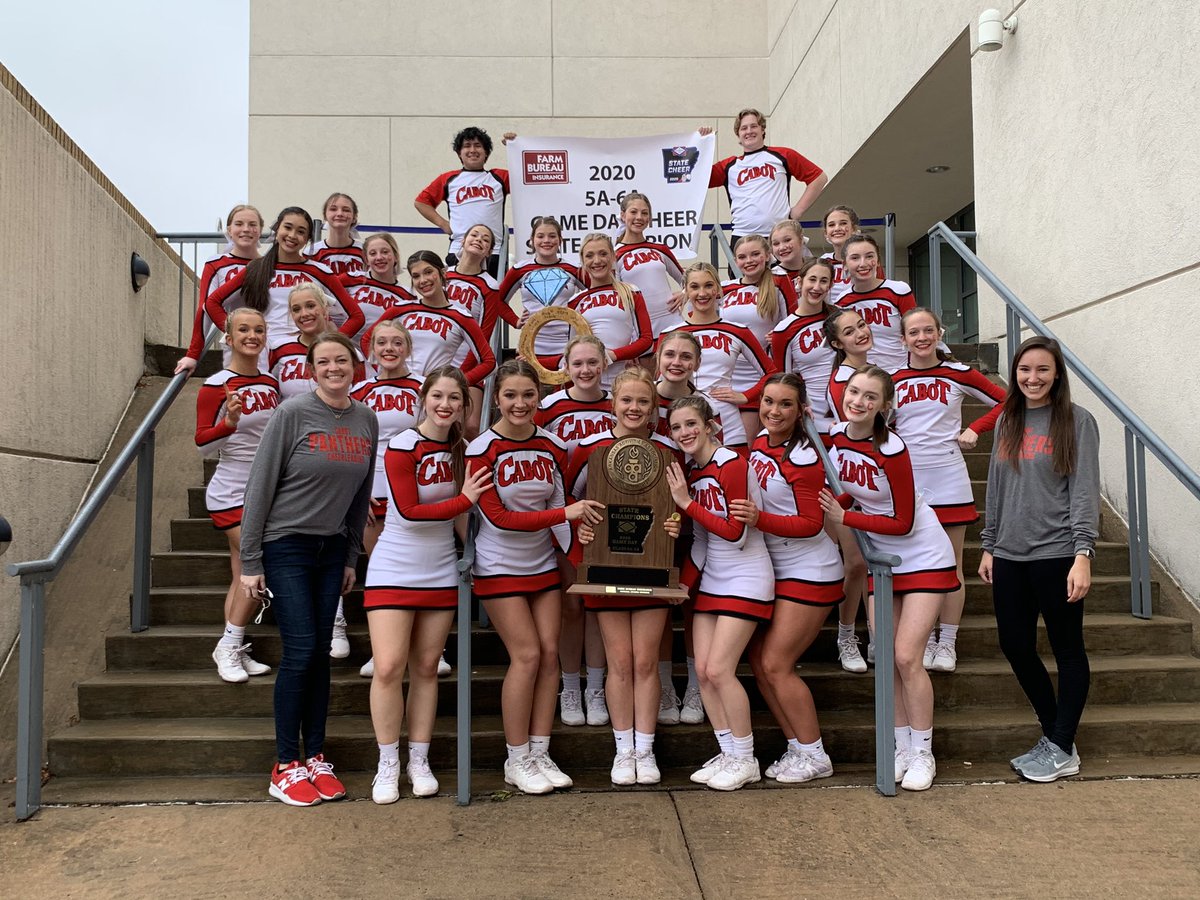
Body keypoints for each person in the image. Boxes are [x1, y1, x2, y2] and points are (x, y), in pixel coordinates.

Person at [239, 332, 378, 807]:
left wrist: (350, 555)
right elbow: (260, 486)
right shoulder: (292, 413)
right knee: (300, 651)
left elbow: (360, 497)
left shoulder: (366, 419)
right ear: (312, 369)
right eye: (324, 361)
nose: (334, 367)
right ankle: (284, 764)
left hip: (331, 549)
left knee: (320, 652)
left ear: (355, 366)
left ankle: (315, 756)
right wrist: (250, 561)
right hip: (286, 545)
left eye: (342, 360)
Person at [818, 366, 960, 792]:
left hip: (921, 553)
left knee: (905, 657)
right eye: (854, 392)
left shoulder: (892, 448)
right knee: (886, 660)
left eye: (870, 397)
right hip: (882, 559)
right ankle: (899, 746)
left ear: (885, 406)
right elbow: (852, 488)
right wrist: (838, 504)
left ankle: (923, 751)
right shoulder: (838, 436)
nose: (858, 401)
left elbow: (902, 520)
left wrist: (847, 517)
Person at [466, 360, 605, 794]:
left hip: (543, 566)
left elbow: (563, 517)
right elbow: (501, 518)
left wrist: (581, 552)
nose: (520, 403)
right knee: (525, 656)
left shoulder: (552, 446)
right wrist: (563, 514)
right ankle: (516, 756)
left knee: (549, 655)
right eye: (510, 395)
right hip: (498, 566)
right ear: (497, 400)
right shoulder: (481, 450)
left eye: (528, 395)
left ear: (538, 398)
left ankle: (540, 751)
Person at [363, 367, 492, 802]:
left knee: (425, 669)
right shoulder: (402, 446)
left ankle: (419, 759)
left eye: (455, 398)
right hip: (395, 566)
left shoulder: (464, 449)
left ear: (464, 405)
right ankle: (387, 762)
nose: (445, 405)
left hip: (440, 569)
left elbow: (460, 516)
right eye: (438, 396)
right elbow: (411, 510)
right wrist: (466, 500)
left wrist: (472, 554)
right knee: (387, 666)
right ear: (423, 398)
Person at [979, 336, 1098, 783]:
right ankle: (1058, 739)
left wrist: (1082, 554)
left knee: (1068, 650)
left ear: (1057, 374)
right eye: (1025, 369)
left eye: (1042, 370)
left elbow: (1084, 491)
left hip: (1058, 554)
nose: (1032, 378)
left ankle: (1061, 744)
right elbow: (997, 485)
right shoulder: (1008, 418)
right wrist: (989, 543)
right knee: (1015, 646)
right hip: (1009, 553)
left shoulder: (1076, 421)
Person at [565, 369, 682, 785]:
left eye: (643, 402)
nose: (634, 409)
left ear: (654, 409)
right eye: (627, 401)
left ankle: (645, 751)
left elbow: (684, 504)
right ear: (612, 404)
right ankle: (622, 749)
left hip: (651, 567)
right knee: (618, 662)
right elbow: (564, 500)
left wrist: (677, 527)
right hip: (603, 566)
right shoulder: (588, 449)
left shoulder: (670, 453)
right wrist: (577, 535)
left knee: (645, 661)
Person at [731, 373, 843, 783]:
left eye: (785, 405)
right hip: (776, 567)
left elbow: (812, 523)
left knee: (777, 663)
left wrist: (761, 519)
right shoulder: (760, 442)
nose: (774, 411)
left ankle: (815, 753)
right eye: (768, 402)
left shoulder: (804, 458)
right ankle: (798, 748)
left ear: (800, 412)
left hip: (809, 571)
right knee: (760, 663)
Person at [666, 396, 774, 791]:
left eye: (691, 423)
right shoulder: (692, 472)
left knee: (719, 670)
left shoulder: (732, 463)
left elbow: (736, 532)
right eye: (677, 428)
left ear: (710, 423)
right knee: (703, 673)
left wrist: (686, 505)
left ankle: (746, 758)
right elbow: (702, 542)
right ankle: (728, 751)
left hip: (746, 576)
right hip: (713, 578)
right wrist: (685, 584)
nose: (685, 433)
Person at [893, 308, 1006, 673]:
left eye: (929, 330)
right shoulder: (891, 379)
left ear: (940, 333)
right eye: (914, 332)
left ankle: (948, 641)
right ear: (903, 339)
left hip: (948, 478)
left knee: (951, 564)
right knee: (915, 566)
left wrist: (977, 427)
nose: (922, 337)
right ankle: (923, 637)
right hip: (908, 482)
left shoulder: (959, 373)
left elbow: (1007, 401)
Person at [195, 308, 281, 683]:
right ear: (228, 338)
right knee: (257, 568)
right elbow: (200, 444)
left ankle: (232, 645)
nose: (252, 335)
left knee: (239, 577)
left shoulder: (270, 382)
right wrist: (227, 423)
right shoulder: (216, 384)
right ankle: (229, 646)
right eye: (243, 330)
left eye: (259, 329)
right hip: (232, 491)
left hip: (265, 492)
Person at [535, 337, 615, 728]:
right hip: (564, 514)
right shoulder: (548, 407)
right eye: (578, 363)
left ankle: (596, 688)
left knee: (598, 605)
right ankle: (570, 687)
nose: (585, 370)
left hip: (610, 520)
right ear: (565, 366)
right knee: (571, 607)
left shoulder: (618, 402)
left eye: (592, 363)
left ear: (604, 363)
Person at [651, 330, 719, 726]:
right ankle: (663, 687)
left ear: (697, 362)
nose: (677, 362)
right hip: (654, 516)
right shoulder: (645, 395)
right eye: (670, 354)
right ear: (658, 358)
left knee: (694, 604)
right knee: (658, 604)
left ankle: (694, 685)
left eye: (685, 356)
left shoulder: (705, 406)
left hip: (696, 512)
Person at [351, 319, 424, 679]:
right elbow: (354, 446)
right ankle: (381, 650)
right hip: (374, 490)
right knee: (379, 571)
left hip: (415, 490)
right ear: (371, 350)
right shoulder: (361, 390)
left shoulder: (424, 388)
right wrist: (359, 493)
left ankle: (429, 647)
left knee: (419, 568)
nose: (389, 348)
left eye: (397, 342)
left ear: (408, 348)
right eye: (382, 343)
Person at [204, 206, 365, 343]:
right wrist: (237, 334)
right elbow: (212, 303)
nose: (292, 236)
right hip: (263, 352)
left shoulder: (320, 271)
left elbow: (356, 316)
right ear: (277, 229)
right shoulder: (256, 268)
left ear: (307, 239)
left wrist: (332, 344)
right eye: (287, 227)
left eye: (301, 232)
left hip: (304, 353)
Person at [661, 261, 775, 453]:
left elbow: (771, 373)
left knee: (733, 476)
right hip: (683, 422)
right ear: (686, 291)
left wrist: (745, 396)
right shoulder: (670, 334)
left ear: (718, 289)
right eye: (694, 287)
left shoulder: (737, 331)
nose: (702, 293)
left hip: (728, 422)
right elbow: (660, 381)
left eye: (708, 285)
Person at [820, 307, 875, 669]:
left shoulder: (876, 370)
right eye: (850, 331)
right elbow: (856, 428)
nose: (860, 333)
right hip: (847, 476)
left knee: (874, 564)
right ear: (838, 342)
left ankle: (878, 634)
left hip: (877, 475)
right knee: (855, 562)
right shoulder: (843, 379)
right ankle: (846, 636)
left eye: (862, 325)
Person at [366, 251, 496, 388]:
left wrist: (454, 384)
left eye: (428, 272)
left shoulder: (461, 317)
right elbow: (367, 339)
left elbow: (489, 363)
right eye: (416, 276)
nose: (422, 280)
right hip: (393, 391)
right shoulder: (400, 309)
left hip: (430, 395)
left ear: (443, 273)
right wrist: (381, 367)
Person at [705, 108, 828, 248]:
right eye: (743, 128)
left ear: (762, 129)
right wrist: (703, 143)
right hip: (743, 237)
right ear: (738, 135)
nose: (749, 131)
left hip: (778, 235)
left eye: (754, 126)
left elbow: (819, 178)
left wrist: (798, 210)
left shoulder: (783, 155)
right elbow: (697, 179)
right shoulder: (729, 166)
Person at [544, 233, 653, 389]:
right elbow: (572, 349)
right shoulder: (575, 300)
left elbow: (647, 341)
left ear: (613, 257)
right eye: (590, 255)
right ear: (583, 261)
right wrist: (533, 360)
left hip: (622, 381)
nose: (597, 261)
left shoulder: (631, 292)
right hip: (587, 382)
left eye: (603, 254)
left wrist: (611, 356)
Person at [176, 204, 263, 376]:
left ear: (260, 230)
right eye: (239, 224)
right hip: (237, 346)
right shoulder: (216, 263)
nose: (246, 229)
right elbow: (205, 307)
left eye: (252, 224)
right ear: (229, 230)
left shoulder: (270, 265)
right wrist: (193, 354)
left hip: (271, 341)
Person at [720, 234, 792, 439]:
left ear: (768, 255)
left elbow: (792, 322)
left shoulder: (778, 283)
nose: (749, 260)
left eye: (755, 254)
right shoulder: (725, 288)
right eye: (742, 257)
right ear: (735, 261)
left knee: (750, 443)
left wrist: (778, 335)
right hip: (729, 375)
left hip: (760, 376)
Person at [414, 126, 513, 276]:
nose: (472, 150)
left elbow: (527, 178)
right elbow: (421, 202)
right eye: (467, 146)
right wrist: (443, 224)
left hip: (493, 252)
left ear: (486, 152)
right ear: (459, 153)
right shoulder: (448, 179)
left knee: (491, 295)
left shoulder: (499, 177)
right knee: (458, 294)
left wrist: (514, 148)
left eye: (478, 146)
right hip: (458, 250)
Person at [496, 216, 585, 368]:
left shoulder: (574, 269)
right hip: (531, 345)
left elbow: (595, 292)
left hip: (567, 345)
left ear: (560, 240)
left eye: (552, 236)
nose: (546, 240)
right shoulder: (519, 269)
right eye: (540, 236)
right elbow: (496, 301)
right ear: (532, 240)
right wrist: (515, 320)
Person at [835, 233, 915, 372]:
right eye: (855, 258)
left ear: (878, 261)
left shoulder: (899, 290)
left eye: (869, 256)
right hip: (863, 378)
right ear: (845, 264)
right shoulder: (841, 302)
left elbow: (914, 332)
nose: (863, 263)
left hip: (901, 374)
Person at [613, 192, 686, 340]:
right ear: (622, 215)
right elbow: (616, 298)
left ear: (650, 218)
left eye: (644, 213)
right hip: (640, 331)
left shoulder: (660, 249)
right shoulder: (614, 255)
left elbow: (688, 280)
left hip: (672, 324)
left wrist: (685, 293)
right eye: (633, 212)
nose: (639, 217)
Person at [338, 232, 416, 346]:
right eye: (373, 253)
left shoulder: (407, 295)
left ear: (395, 256)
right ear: (366, 259)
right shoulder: (351, 279)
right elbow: (319, 293)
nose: (379, 257)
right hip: (346, 351)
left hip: (381, 356)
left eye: (385, 252)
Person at [820, 205, 880, 304]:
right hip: (831, 316)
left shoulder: (868, 260)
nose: (837, 228)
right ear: (826, 233)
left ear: (854, 229)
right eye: (831, 225)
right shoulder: (822, 261)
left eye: (843, 223)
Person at [307, 192, 364, 276]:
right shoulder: (311, 252)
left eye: (346, 210)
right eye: (333, 209)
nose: (340, 214)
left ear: (354, 217)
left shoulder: (364, 251)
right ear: (325, 216)